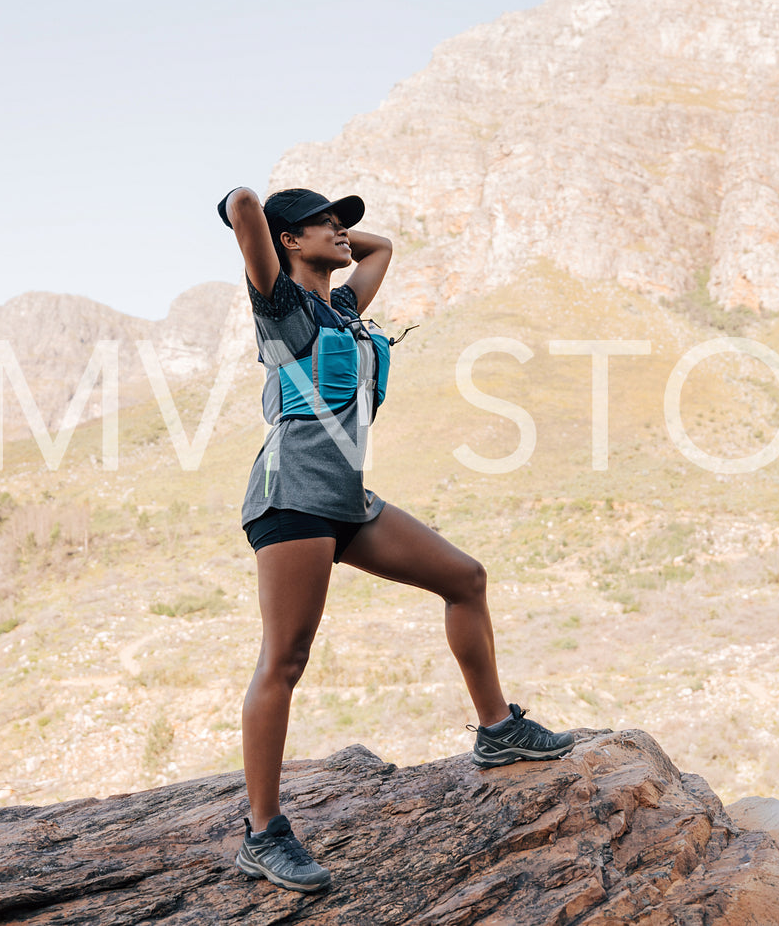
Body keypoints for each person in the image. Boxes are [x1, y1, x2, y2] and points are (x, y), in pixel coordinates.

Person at [216, 185, 575, 892]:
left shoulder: (340, 309)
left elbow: (381, 248)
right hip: (291, 499)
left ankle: (497, 731)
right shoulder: (279, 307)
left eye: (341, 220)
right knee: (284, 659)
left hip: (348, 501)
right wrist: (250, 206)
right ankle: (261, 834)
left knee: (463, 579)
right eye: (323, 222)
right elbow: (247, 211)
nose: (342, 231)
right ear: (287, 240)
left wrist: (332, 235)